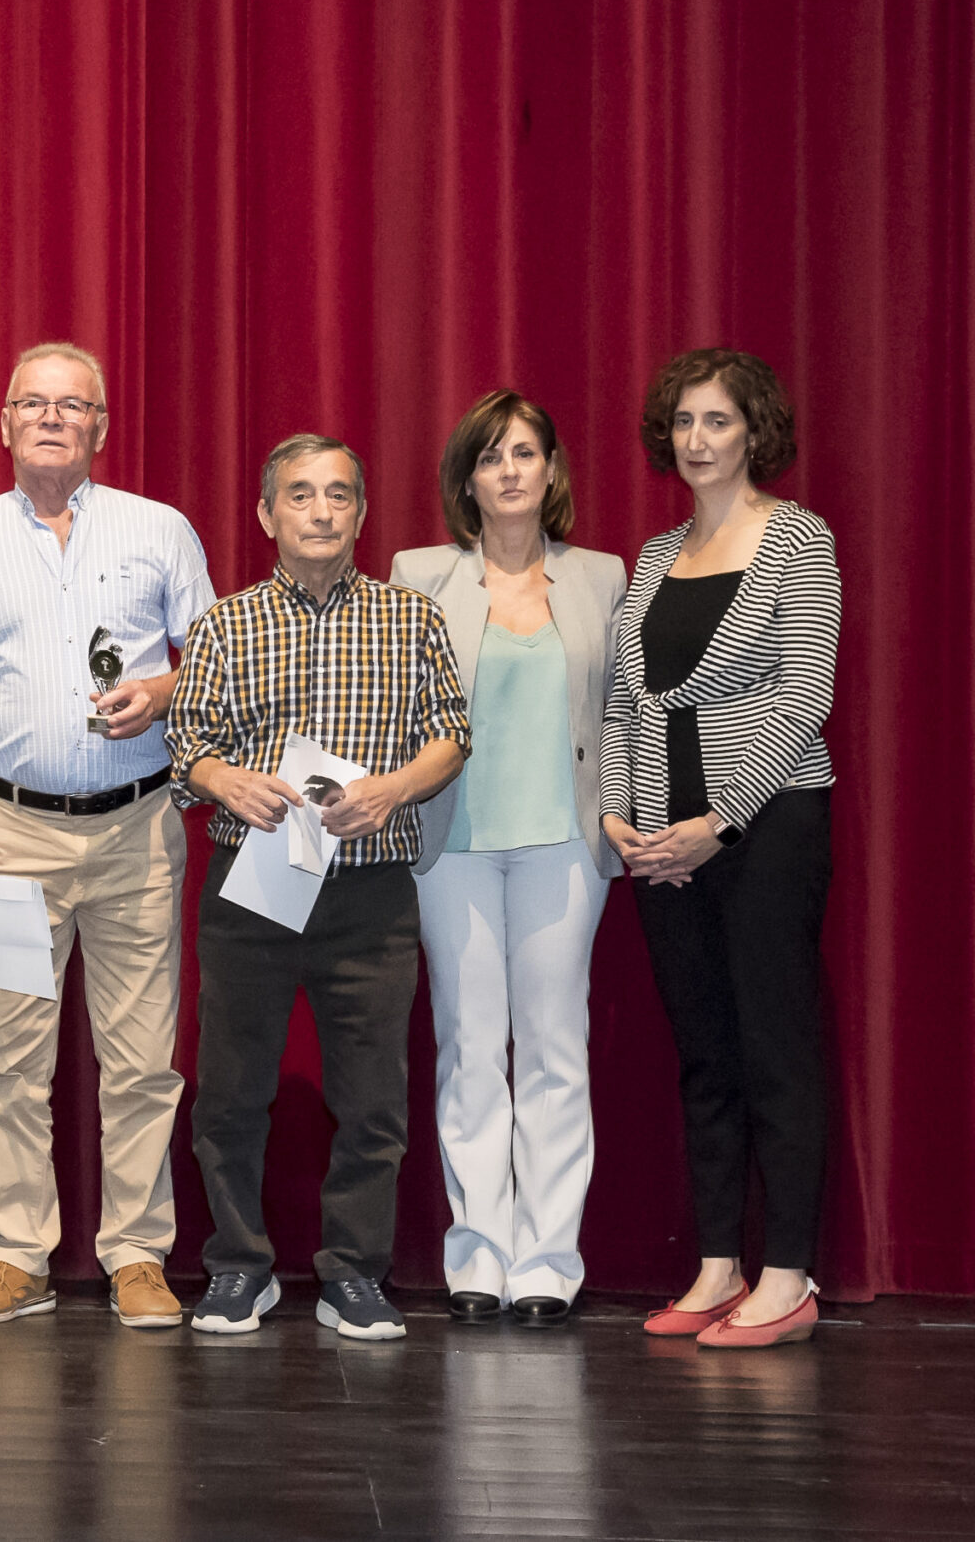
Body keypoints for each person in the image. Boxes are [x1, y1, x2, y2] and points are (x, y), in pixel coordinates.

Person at [0, 343, 215, 1332]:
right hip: (4, 831)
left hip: (138, 828)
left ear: (100, 428)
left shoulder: (159, 531)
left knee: (141, 1061)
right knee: (8, 1064)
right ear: (2, 423)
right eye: (31, 402)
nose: (49, 417)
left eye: (71, 405)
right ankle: (16, 1255)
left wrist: (164, 687)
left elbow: (208, 660)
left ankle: (135, 1255)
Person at [165, 434, 470, 1342]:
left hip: (369, 890)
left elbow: (451, 732)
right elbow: (188, 748)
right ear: (267, 515)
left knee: (373, 1094)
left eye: (339, 494)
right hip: (253, 881)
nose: (322, 510)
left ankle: (354, 1274)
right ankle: (237, 1267)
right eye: (301, 494)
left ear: (362, 514)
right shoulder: (225, 623)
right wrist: (226, 781)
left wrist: (395, 788)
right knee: (230, 1090)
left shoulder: (410, 619)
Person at [602, 349, 840, 1349]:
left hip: (768, 825)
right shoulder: (655, 557)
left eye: (717, 422)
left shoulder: (797, 541)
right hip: (661, 840)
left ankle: (786, 1278)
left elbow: (804, 696)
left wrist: (719, 819)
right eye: (684, 423)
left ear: (754, 433)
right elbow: (623, 701)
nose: (697, 441)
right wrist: (621, 820)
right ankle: (715, 1267)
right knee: (703, 1054)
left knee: (775, 1048)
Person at [390, 392, 626, 1326]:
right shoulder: (418, 573)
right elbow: (394, 705)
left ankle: (547, 1261)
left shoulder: (605, 575)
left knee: (557, 1049)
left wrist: (622, 813)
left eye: (526, 452)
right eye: (491, 456)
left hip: (567, 843)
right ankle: (478, 1255)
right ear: (468, 479)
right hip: (453, 845)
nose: (511, 470)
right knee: (469, 1049)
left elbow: (623, 711)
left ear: (553, 469)